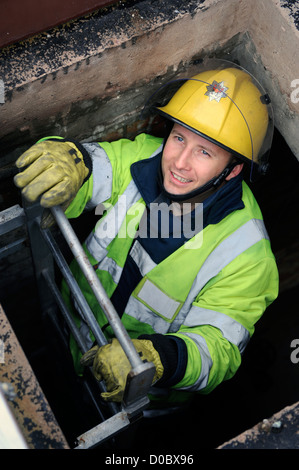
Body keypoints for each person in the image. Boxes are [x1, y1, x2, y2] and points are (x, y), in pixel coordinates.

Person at [14, 60, 279, 407]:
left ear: (233, 171)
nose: (179, 162)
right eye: (179, 137)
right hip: (71, 330)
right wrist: (66, 158)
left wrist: (154, 360)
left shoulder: (248, 256)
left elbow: (217, 349)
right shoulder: (145, 158)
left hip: (137, 395)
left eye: (204, 152)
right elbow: (90, 163)